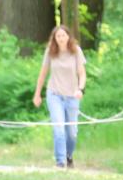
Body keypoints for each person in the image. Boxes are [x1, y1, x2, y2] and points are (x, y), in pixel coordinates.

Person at [32, 24, 86, 169]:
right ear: (55, 39)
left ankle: (69, 156)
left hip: (72, 96)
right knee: (59, 129)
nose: (61, 38)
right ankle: (60, 162)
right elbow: (43, 74)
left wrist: (81, 89)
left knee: (72, 133)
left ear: (68, 36)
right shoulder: (50, 52)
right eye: (58, 36)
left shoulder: (76, 51)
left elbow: (82, 73)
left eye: (63, 35)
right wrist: (37, 94)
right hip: (54, 94)